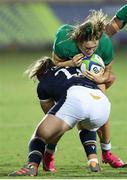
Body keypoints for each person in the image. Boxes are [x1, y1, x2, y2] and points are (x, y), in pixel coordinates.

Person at [42, 9, 124, 170]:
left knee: (102, 106)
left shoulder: (105, 42)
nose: (91, 51)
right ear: (78, 41)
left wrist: (101, 79)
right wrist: (70, 64)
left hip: (92, 76)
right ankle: (49, 152)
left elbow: (108, 71)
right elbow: (54, 64)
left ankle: (107, 152)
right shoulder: (63, 39)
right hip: (66, 74)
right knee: (58, 118)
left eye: (94, 48)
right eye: (87, 49)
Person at [9, 59, 111, 176]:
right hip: (102, 103)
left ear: (39, 73)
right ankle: (93, 161)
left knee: (40, 135)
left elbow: (50, 116)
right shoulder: (76, 69)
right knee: (87, 125)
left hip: (76, 97)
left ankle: (32, 166)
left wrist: (50, 148)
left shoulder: (45, 80)